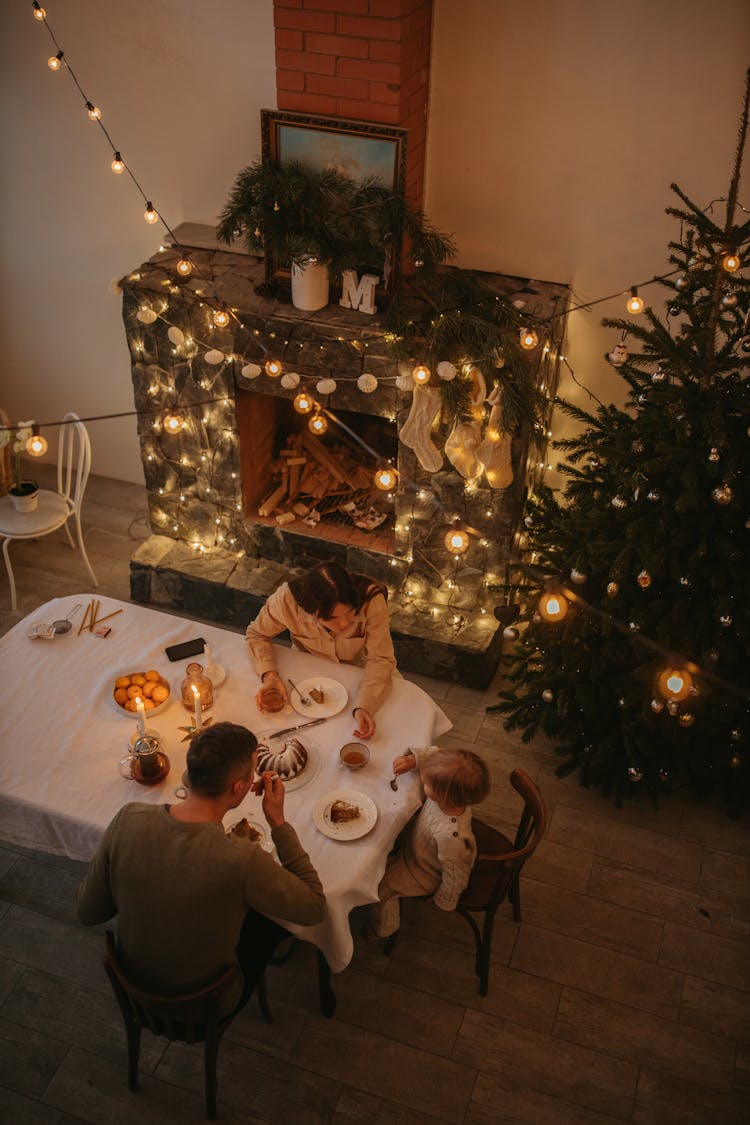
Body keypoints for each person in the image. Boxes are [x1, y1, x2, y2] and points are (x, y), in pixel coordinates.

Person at [76, 722, 326, 1015]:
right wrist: (278, 824)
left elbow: (88, 912)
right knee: (272, 925)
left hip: (133, 989)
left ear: (190, 774)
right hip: (205, 1005)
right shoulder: (241, 858)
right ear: (237, 788)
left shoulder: (127, 819)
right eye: (252, 774)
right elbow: (314, 907)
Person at [246, 560, 396, 740]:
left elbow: (380, 659)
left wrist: (365, 706)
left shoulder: (371, 600)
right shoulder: (287, 600)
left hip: (362, 671)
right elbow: (256, 634)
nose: (344, 624)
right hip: (308, 670)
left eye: (350, 614)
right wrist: (270, 676)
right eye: (333, 619)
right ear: (311, 610)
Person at [365, 746, 491, 939]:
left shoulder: (452, 838)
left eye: (427, 783)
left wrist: (445, 900)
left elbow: (457, 874)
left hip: (422, 870)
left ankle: (384, 928)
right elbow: (434, 755)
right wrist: (413, 760)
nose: (423, 779)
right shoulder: (448, 796)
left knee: (381, 888)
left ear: (443, 796)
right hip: (418, 844)